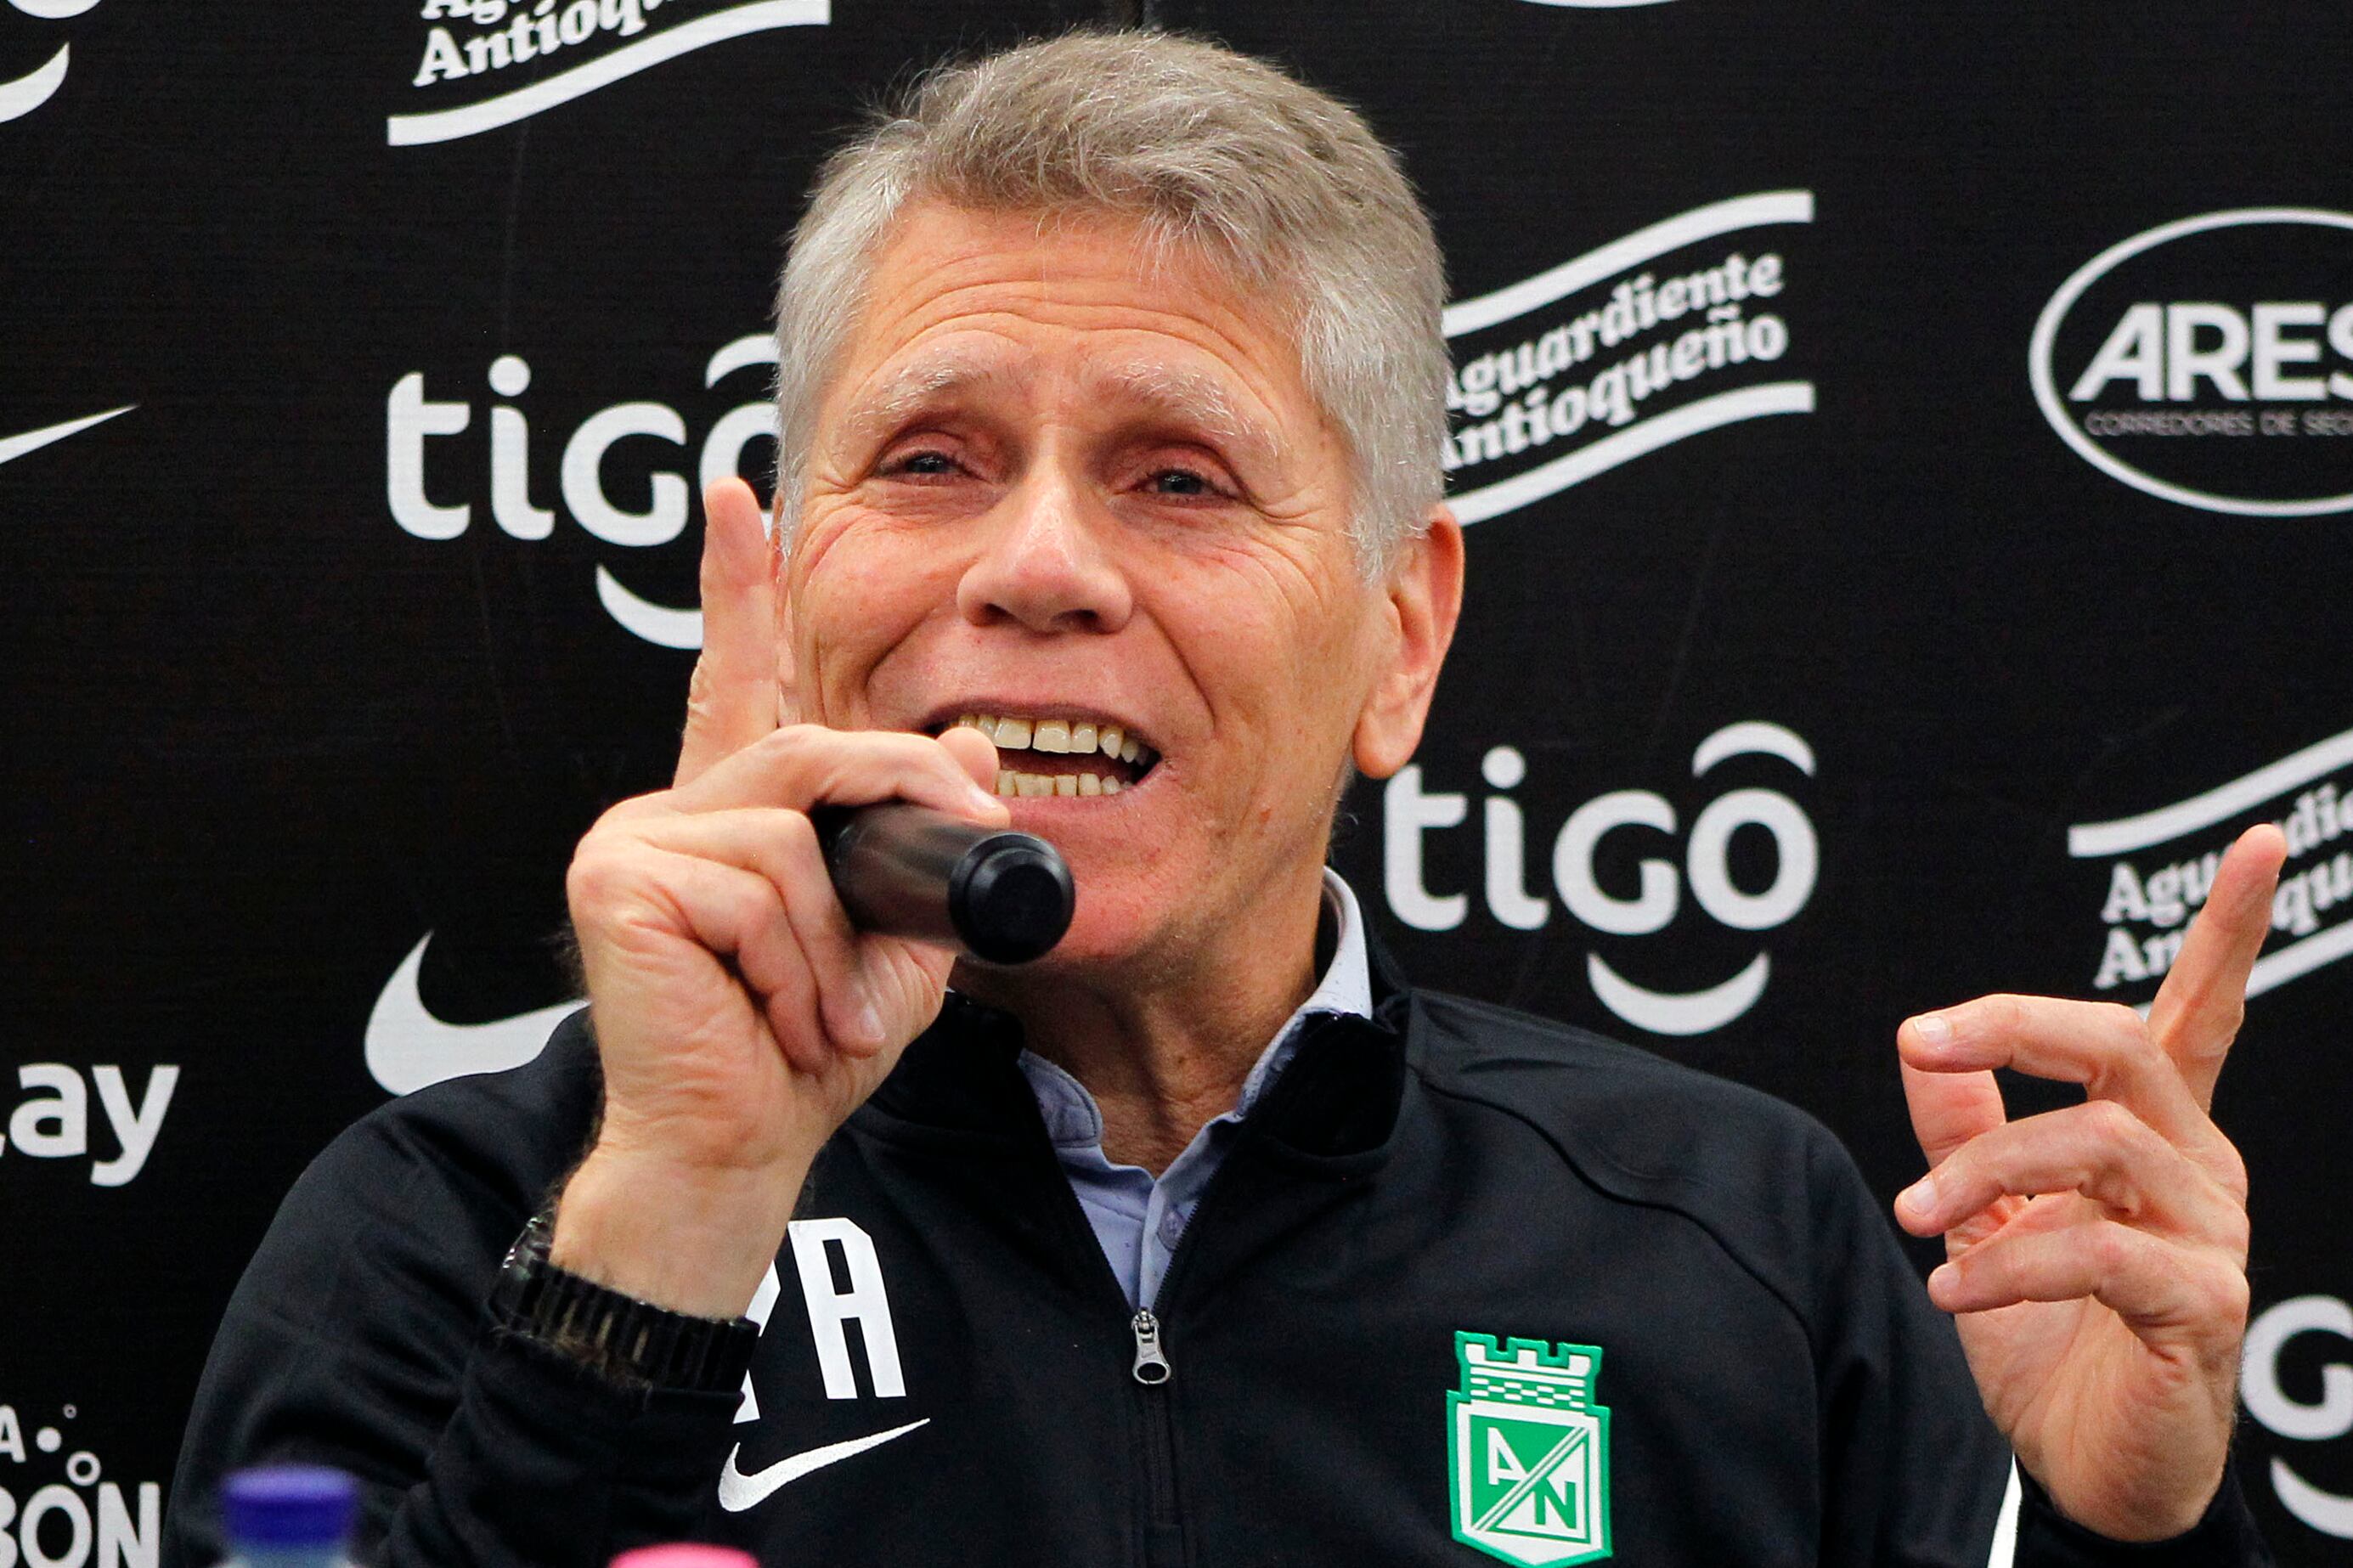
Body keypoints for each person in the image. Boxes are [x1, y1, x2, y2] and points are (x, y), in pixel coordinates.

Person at [166, 31, 2284, 1567]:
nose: (1039, 564)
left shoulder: (1738, 1241)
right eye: (930, 460)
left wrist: (2118, 1525)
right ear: (789, 583)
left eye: (1176, 476)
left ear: (1398, 634)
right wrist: (665, 1237)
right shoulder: (445, 1224)